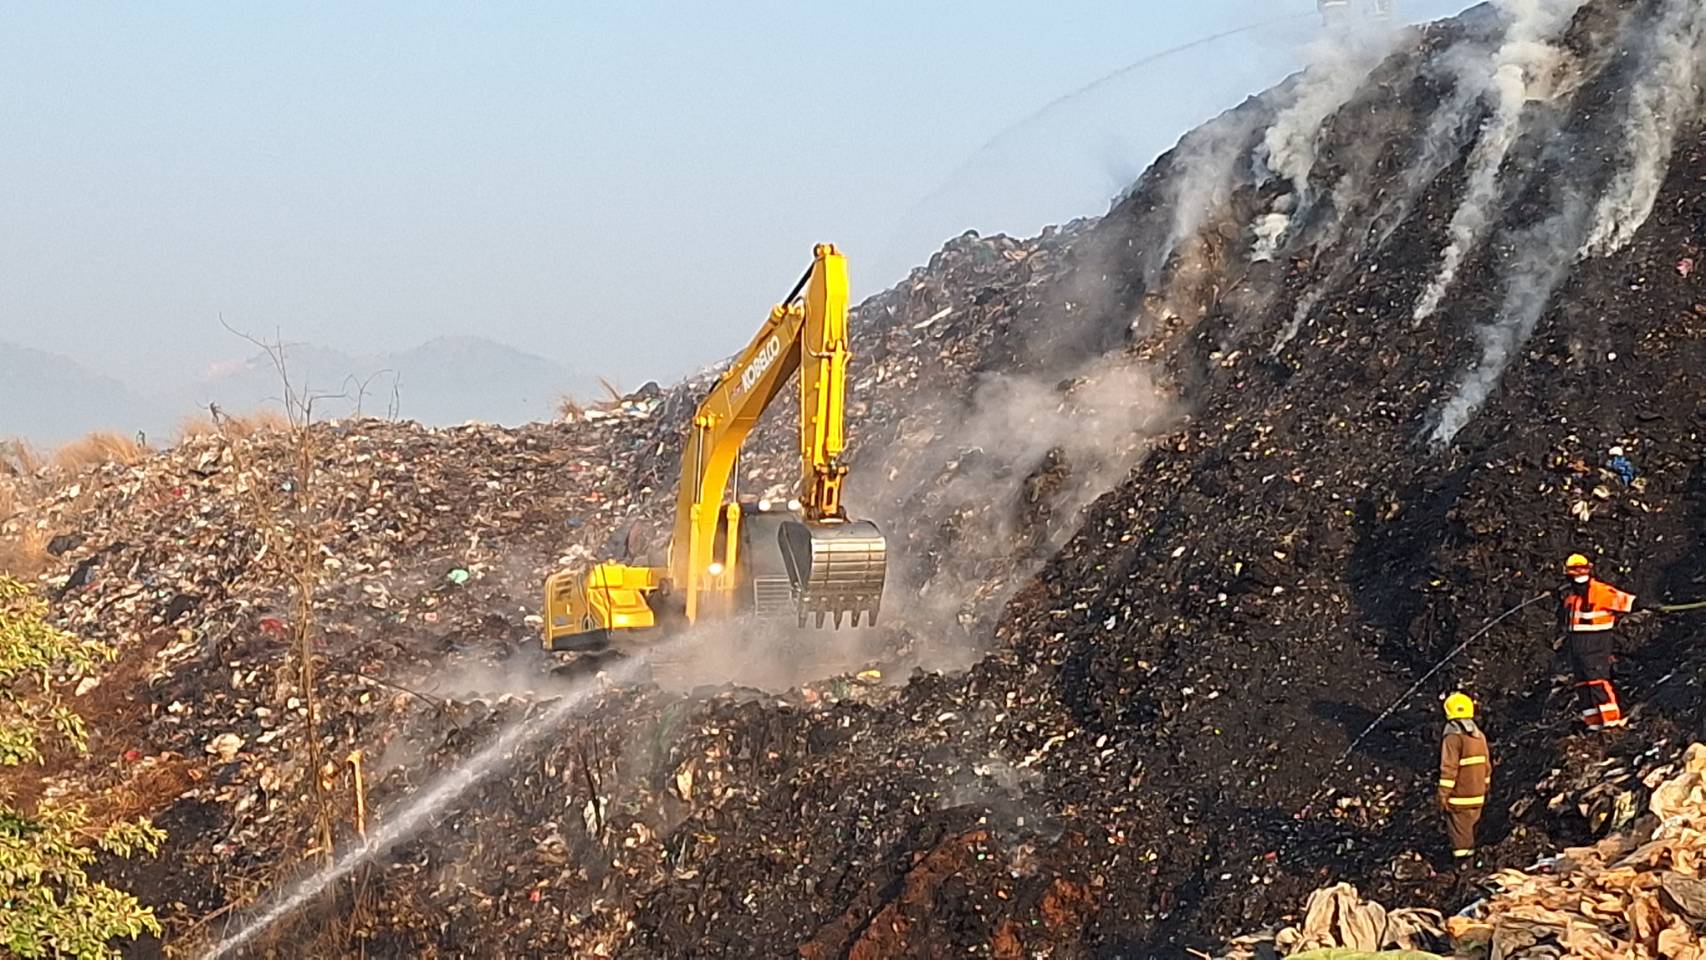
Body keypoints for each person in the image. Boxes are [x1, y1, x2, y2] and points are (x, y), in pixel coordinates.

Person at [1559, 554, 1649, 730]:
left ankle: (1611, 721)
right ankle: (1594, 722)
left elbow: (1628, 602)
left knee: (1597, 681)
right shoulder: (1570, 597)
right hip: (1577, 646)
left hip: (1596, 644)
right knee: (1583, 684)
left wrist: (1645, 604)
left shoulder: (1600, 592)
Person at [1438, 692, 1491, 865]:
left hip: (1459, 798)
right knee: (1472, 830)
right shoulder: (1479, 737)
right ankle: (1473, 862)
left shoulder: (1452, 738)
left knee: (1460, 836)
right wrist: (1486, 788)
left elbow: (1448, 769)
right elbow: (1487, 767)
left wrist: (1442, 795)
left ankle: (1464, 866)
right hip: (1478, 795)